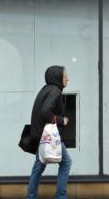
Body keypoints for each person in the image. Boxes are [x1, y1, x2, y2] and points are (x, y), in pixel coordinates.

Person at [27, 65, 71, 199]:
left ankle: (31, 196)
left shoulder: (45, 89)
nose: (67, 79)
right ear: (58, 77)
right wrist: (62, 120)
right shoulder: (55, 91)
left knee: (38, 167)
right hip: (48, 136)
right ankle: (61, 196)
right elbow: (45, 111)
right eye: (65, 76)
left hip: (40, 135)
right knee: (66, 162)